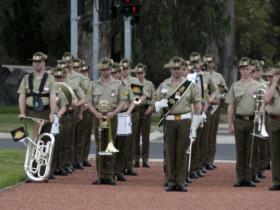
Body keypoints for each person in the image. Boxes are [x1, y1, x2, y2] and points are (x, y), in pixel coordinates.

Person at [154, 57, 202, 192]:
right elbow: (154, 100)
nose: (176, 71)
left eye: (179, 68)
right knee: (169, 152)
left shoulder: (190, 85)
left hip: (184, 120)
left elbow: (197, 105)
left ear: (182, 69)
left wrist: (195, 126)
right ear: (170, 69)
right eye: (174, 68)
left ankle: (180, 181)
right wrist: (158, 105)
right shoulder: (164, 85)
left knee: (182, 151)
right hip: (169, 121)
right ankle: (170, 180)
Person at [87, 57, 125, 185]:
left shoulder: (118, 84)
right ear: (100, 70)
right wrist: (96, 113)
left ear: (111, 69)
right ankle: (100, 175)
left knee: (110, 144)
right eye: (103, 69)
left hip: (111, 116)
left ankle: (109, 174)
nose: (105, 71)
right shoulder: (93, 84)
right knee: (99, 145)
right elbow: (89, 102)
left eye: (108, 69)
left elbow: (122, 102)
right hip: (98, 116)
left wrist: (114, 112)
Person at [226, 57, 262, 187]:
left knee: (251, 151)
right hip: (239, 120)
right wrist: (230, 124)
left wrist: (260, 113)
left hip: (253, 121)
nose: (245, 71)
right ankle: (240, 177)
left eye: (247, 69)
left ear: (250, 69)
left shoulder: (259, 86)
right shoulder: (235, 86)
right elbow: (231, 106)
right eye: (242, 69)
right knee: (240, 150)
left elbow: (263, 103)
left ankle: (249, 177)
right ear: (240, 70)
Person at [204, 54, 227, 170]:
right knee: (204, 135)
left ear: (214, 64)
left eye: (212, 62)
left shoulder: (219, 77)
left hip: (216, 108)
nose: (210, 64)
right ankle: (203, 160)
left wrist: (221, 99)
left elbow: (224, 90)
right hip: (205, 107)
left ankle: (210, 160)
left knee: (212, 135)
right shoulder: (201, 76)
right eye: (208, 62)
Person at [132, 63, 155, 168]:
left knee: (145, 136)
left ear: (144, 73)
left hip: (146, 109)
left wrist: (151, 108)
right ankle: (136, 159)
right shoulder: (133, 83)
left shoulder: (149, 84)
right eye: (137, 73)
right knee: (135, 136)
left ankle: (145, 159)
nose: (139, 75)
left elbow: (154, 97)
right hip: (136, 109)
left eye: (141, 73)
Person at [263, 67, 280, 191]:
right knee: (275, 152)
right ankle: (276, 181)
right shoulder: (270, 87)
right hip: (274, 120)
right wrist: (274, 83)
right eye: (276, 74)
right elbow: (267, 100)